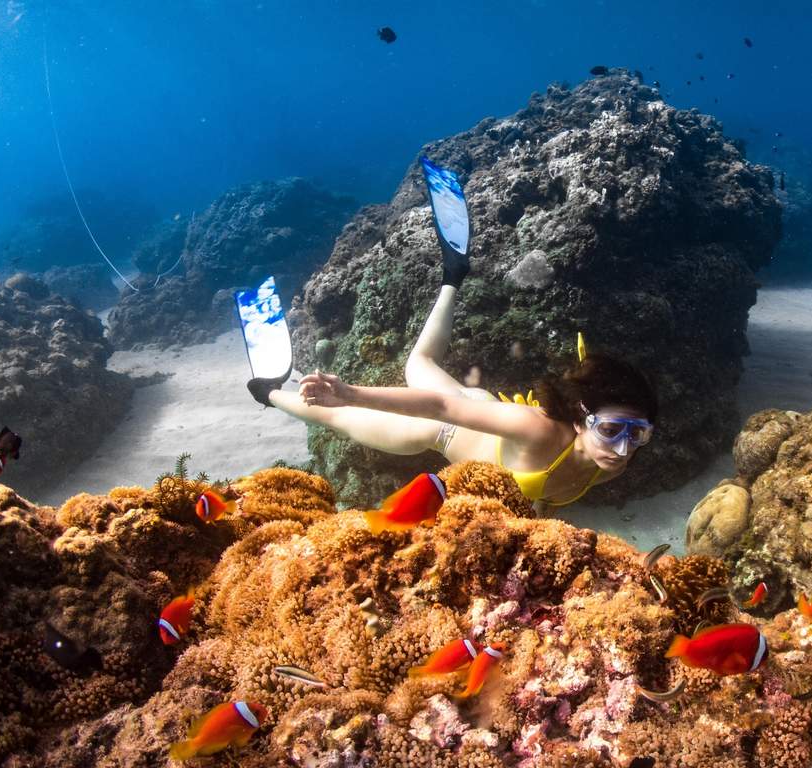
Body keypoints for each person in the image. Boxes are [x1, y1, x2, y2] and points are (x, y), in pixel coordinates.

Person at [249, 158, 658, 512]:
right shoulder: (538, 429)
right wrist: (351, 394)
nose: (623, 448)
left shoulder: (611, 464)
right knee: (337, 416)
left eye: (638, 433)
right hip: (441, 429)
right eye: (611, 430)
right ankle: (268, 392)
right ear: (581, 418)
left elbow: (537, 488)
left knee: (419, 362)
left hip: (479, 407)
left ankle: (452, 275)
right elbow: (442, 407)